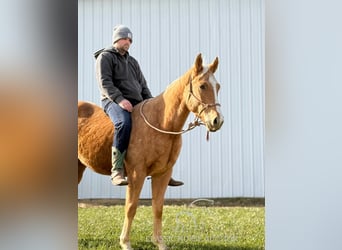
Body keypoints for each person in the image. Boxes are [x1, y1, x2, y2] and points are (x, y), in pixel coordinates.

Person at [95, 24, 184, 186]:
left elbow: (143, 85)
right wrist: (120, 100)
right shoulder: (105, 57)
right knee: (123, 123)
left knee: (157, 124)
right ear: (116, 39)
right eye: (124, 38)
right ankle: (117, 169)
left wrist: (152, 104)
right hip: (112, 101)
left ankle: (162, 169)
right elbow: (105, 83)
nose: (127, 42)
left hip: (136, 102)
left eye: (130, 39)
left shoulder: (133, 62)